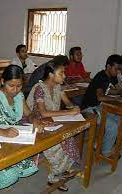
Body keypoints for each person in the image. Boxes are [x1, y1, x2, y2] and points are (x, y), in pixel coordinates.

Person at [0, 65, 41, 190]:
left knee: (29, 166)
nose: (15, 90)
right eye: (11, 85)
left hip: (10, 137)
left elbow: (29, 114)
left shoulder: (19, 96)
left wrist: (35, 121)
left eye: (19, 86)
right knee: (9, 176)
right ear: (2, 81)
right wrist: (2, 132)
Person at [26, 60, 81, 191]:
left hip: (52, 120)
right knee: (57, 144)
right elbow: (43, 112)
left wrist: (73, 107)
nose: (64, 76)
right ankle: (54, 178)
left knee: (69, 138)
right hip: (36, 122)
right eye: (61, 73)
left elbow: (67, 102)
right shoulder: (40, 89)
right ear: (51, 75)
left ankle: (61, 171)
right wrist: (68, 112)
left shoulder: (58, 87)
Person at [83, 54, 122, 156]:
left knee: (120, 119)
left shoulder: (112, 76)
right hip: (88, 109)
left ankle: (100, 143)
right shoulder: (101, 77)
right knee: (112, 126)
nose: (118, 72)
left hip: (98, 107)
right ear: (108, 67)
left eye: (119, 69)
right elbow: (100, 97)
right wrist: (121, 99)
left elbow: (120, 90)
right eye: (116, 69)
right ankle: (106, 152)